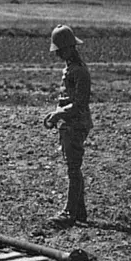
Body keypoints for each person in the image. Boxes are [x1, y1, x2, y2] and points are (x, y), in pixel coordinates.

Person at [43, 25, 92, 227]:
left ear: (68, 48)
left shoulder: (79, 71)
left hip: (76, 124)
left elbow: (80, 103)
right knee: (73, 167)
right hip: (69, 124)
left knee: (73, 169)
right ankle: (79, 211)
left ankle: (70, 213)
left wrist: (58, 114)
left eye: (60, 51)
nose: (57, 55)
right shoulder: (71, 68)